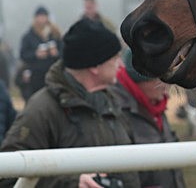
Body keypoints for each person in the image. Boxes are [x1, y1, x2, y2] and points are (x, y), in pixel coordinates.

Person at [1, 18, 140, 188]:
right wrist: (71, 184)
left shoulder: (113, 101)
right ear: (95, 66)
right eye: (115, 58)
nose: (120, 65)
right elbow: (7, 174)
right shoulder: (41, 110)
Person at [110, 49, 186, 188]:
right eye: (159, 80)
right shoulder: (116, 112)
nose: (166, 86)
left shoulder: (155, 107)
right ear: (140, 79)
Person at [17, 6, 62, 103]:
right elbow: (23, 54)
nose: (42, 19)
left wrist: (56, 53)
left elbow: (64, 53)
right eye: (39, 16)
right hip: (35, 77)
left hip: (53, 74)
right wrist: (35, 54)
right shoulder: (28, 36)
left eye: (44, 16)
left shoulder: (55, 34)